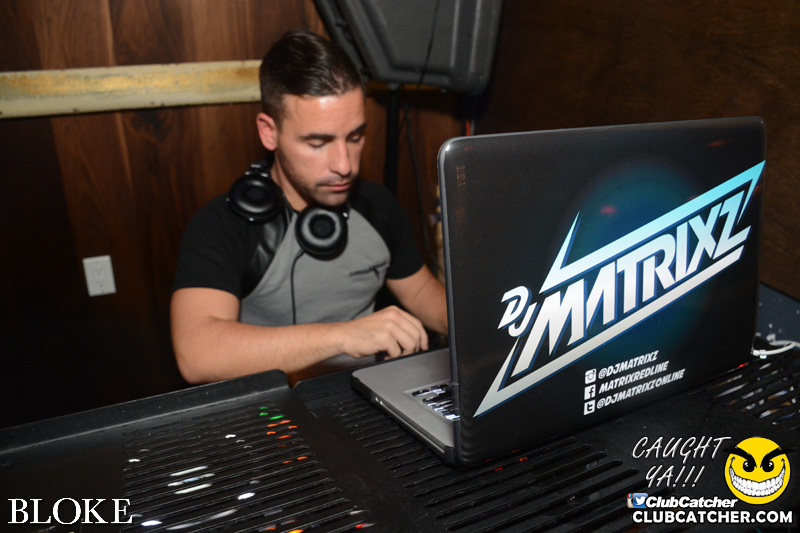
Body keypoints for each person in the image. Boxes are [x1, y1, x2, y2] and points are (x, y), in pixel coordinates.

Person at [171, 30, 447, 385]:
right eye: (318, 143)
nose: (344, 165)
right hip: (271, 407)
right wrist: (344, 336)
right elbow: (197, 355)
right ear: (269, 132)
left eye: (355, 137)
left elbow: (422, 294)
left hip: (367, 395)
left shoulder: (378, 207)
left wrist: (488, 319)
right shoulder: (221, 225)